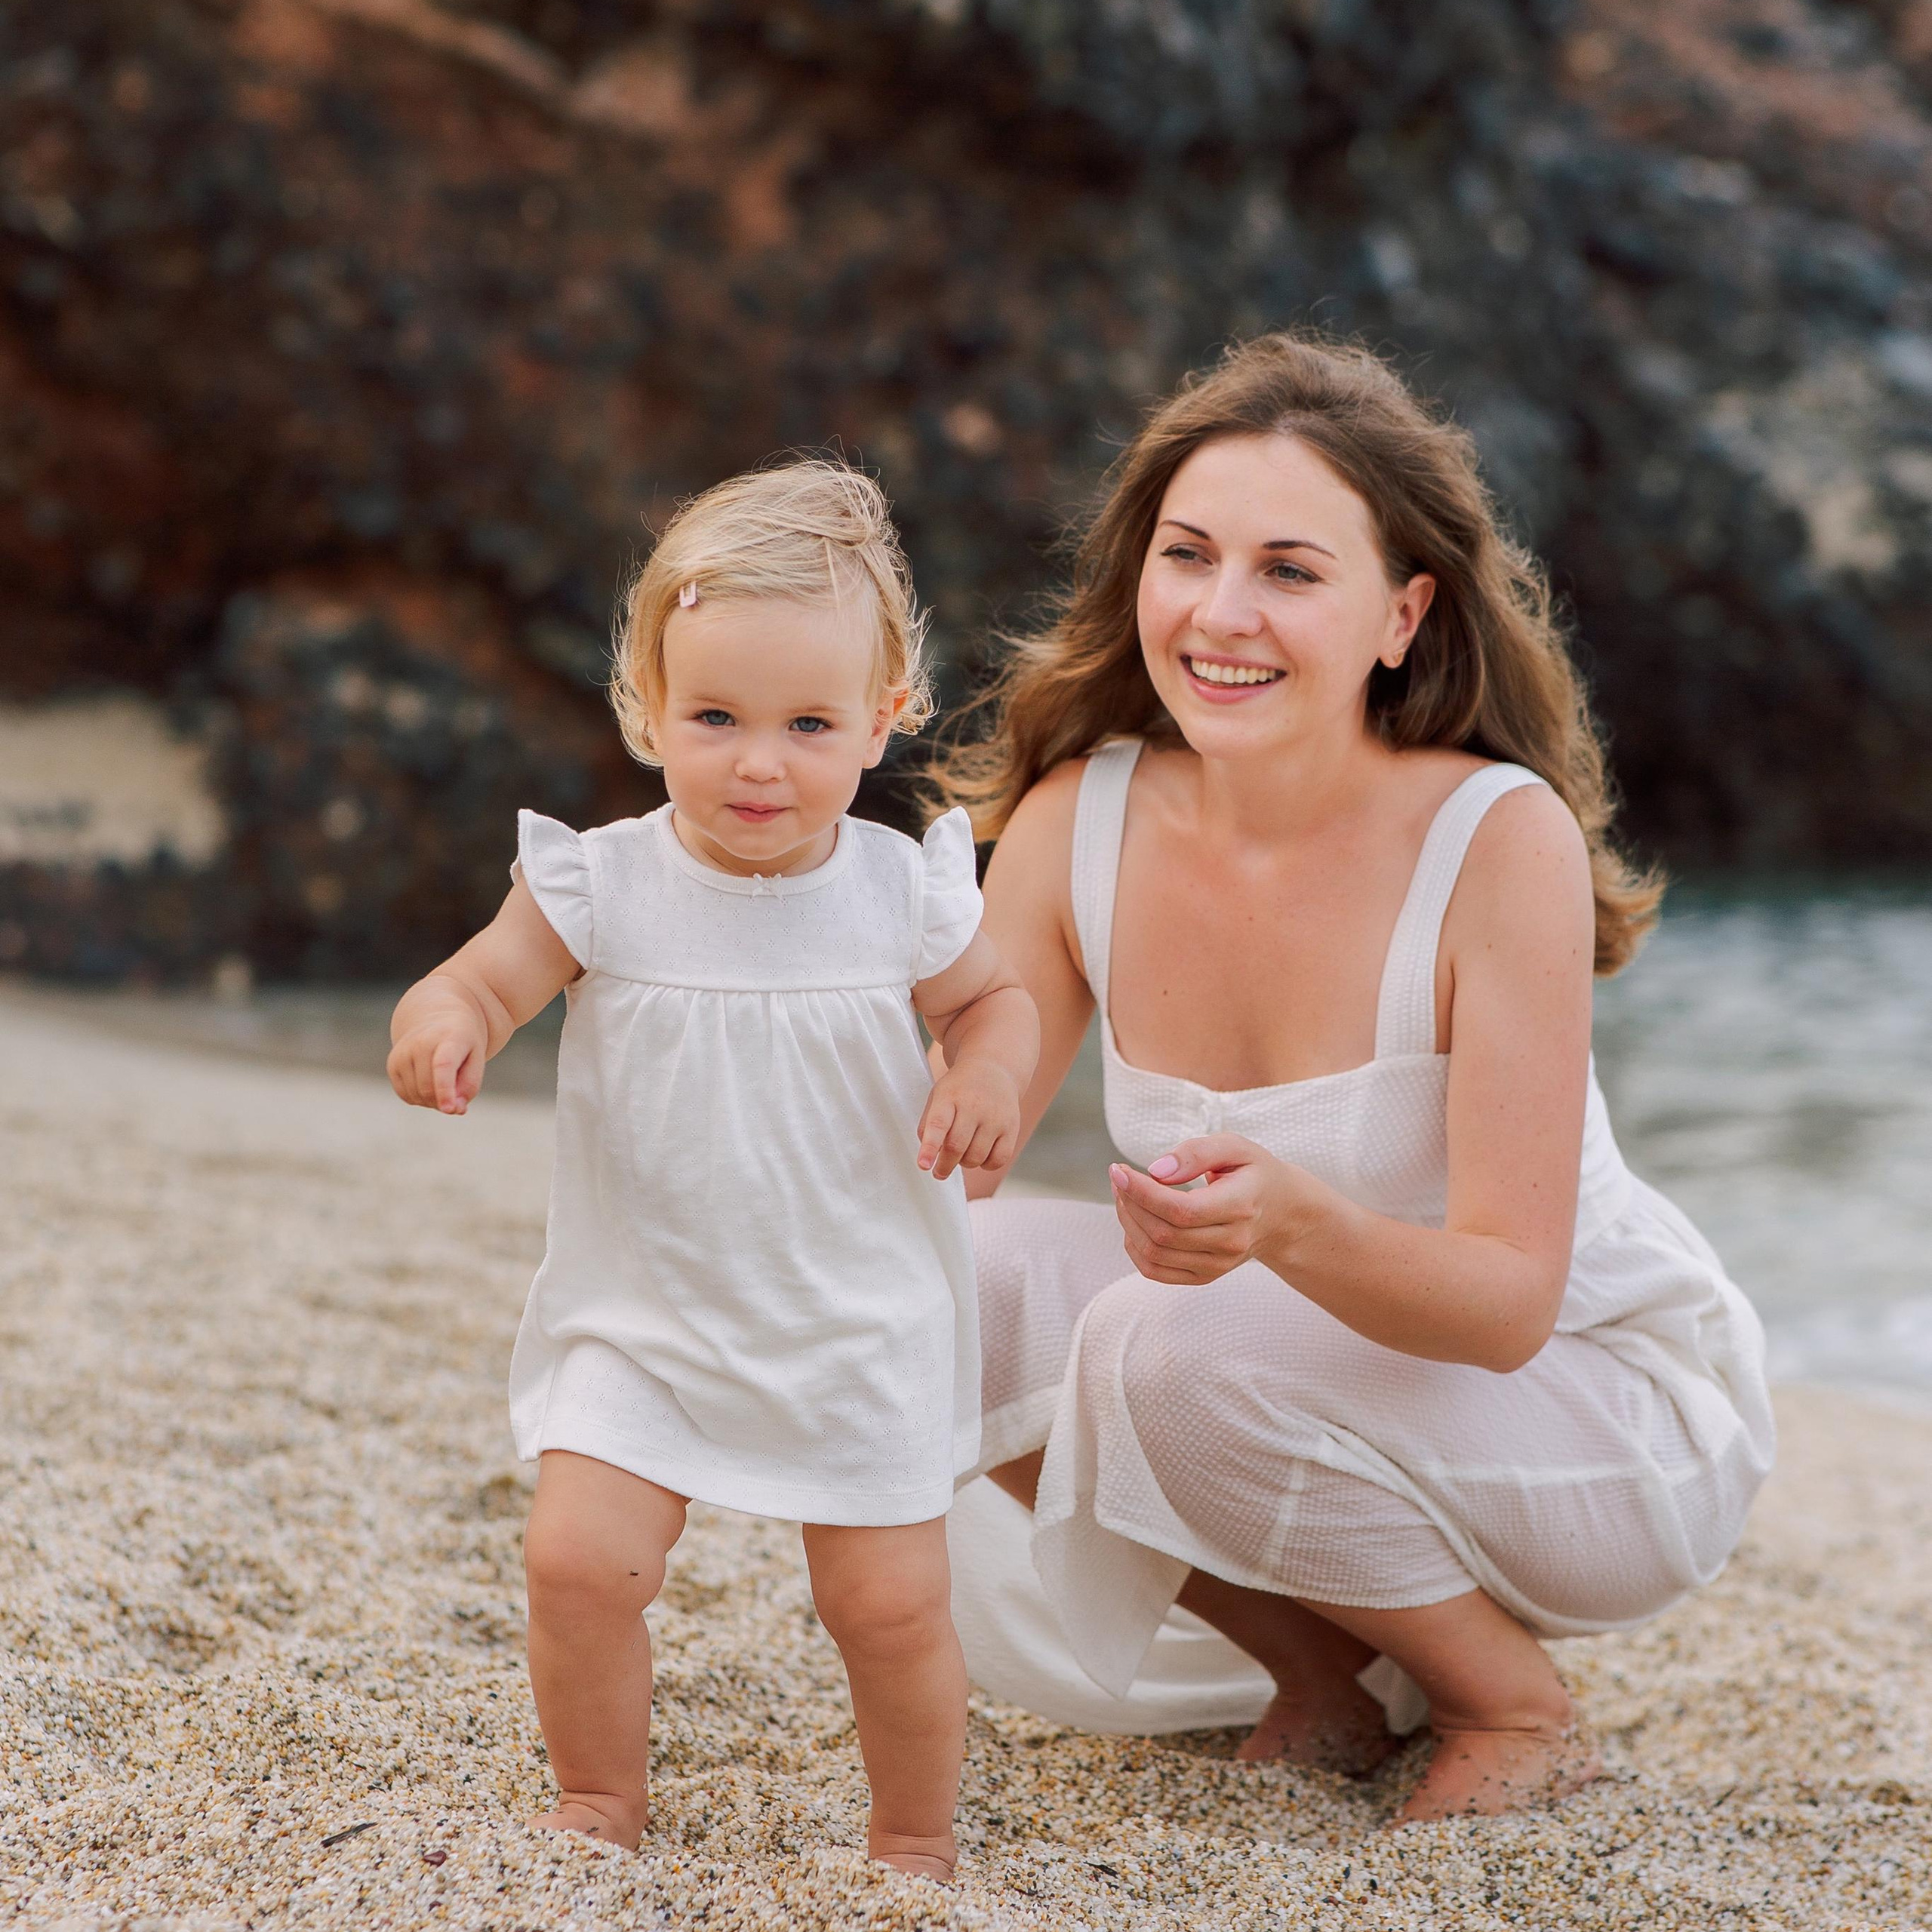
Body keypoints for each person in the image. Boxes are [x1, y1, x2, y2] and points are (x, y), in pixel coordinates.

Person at [931, 333, 1775, 1823]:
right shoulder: (1080, 815)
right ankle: (1321, 1676)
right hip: (1299, 1383)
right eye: (1185, 554)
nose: (1219, 611)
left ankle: (1506, 1700)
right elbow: (954, 1142)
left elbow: (1510, 1300)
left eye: (1287, 571)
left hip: (1595, 1415)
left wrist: (1284, 1227)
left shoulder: (1489, 841)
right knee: (951, 1278)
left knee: (1168, 1342)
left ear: (1401, 613)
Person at [387, 459, 1039, 1880]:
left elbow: (996, 1004)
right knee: (578, 1562)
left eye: (811, 722)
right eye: (718, 717)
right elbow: (484, 983)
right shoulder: (600, 884)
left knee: (885, 1604)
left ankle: (915, 1839)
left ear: (885, 716)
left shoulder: (898, 894)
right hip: (649, 1313)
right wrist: (444, 1023)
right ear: (647, 708)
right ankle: (597, 1804)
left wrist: (985, 1073)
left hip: (856, 1313)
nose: (762, 762)